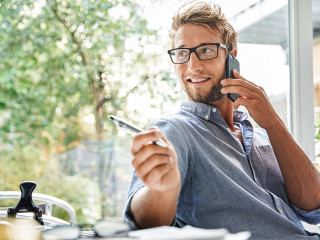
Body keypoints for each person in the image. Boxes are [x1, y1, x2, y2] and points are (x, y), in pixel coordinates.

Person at [123, 1, 320, 239]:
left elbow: (313, 206)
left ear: (231, 56)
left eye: (206, 50)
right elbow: (145, 223)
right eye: (182, 53)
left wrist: (272, 122)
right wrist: (162, 190)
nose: (192, 66)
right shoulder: (173, 132)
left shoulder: (263, 137)